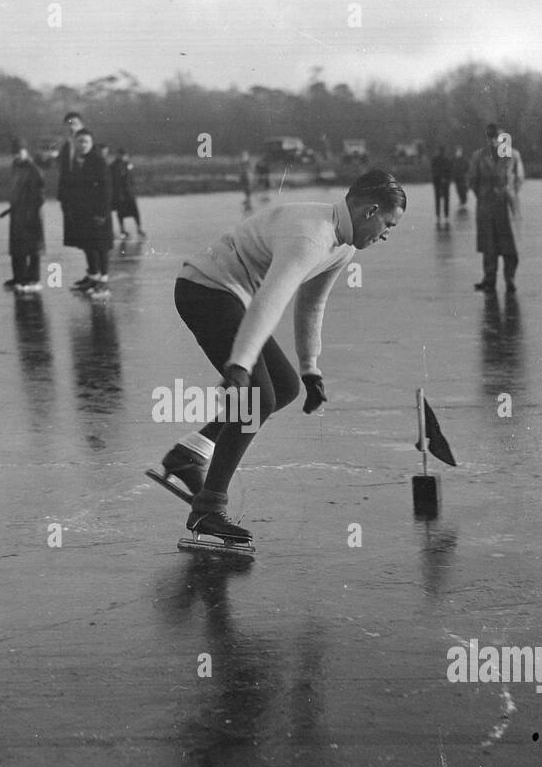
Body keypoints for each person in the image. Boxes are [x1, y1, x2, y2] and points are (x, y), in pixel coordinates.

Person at [153, 170, 407, 547]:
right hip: (205, 289)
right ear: (371, 211)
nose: (385, 234)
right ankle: (208, 507)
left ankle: (190, 453)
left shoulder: (343, 244)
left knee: (285, 387)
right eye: (388, 225)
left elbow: (311, 303)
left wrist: (310, 369)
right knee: (259, 398)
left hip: (231, 296)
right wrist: (239, 364)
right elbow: (271, 300)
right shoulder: (311, 235)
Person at [471, 124, 526, 293]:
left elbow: (519, 178)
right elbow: (472, 180)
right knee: (489, 247)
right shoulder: (479, 157)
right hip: (486, 207)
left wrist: (510, 193)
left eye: (497, 136)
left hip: (507, 207)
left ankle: (510, 279)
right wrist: (483, 195)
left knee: (510, 247)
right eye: (490, 136)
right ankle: (489, 279)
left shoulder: (513, 155)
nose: (494, 140)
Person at [60, 129, 113, 295]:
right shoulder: (78, 160)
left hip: (98, 212)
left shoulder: (98, 161)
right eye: (80, 141)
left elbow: (106, 189)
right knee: (89, 245)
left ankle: (103, 281)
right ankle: (93, 277)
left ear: (91, 143)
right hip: (84, 212)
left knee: (100, 246)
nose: (82, 145)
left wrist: (102, 213)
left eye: (86, 142)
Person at [0, 139, 45, 293]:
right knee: (17, 247)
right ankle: (19, 277)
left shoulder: (33, 169)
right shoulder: (16, 166)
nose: (17, 155)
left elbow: (39, 194)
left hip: (30, 214)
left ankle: (33, 278)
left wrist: (30, 210)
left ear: (26, 151)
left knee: (32, 247)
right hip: (17, 213)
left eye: (20, 151)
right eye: (15, 152)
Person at [111, 148, 145, 238]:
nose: (123, 157)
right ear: (117, 155)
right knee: (121, 213)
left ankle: (139, 228)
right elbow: (114, 181)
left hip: (129, 192)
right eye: (121, 155)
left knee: (135, 211)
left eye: (124, 155)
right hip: (119, 193)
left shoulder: (128, 165)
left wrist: (133, 189)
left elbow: (131, 179)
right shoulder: (113, 166)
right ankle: (122, 229)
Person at [431, 145, 452, 227]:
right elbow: (450, 170)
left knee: (438, 199)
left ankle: (438, 215)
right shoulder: (447, 159)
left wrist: (437, 178)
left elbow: (433, 170)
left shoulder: (435, 159)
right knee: (446, 199)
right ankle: (446, 215)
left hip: (437, 181)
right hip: (445, 181)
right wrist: (447, 179)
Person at [451, 145, 469, 211]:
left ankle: (463, 199)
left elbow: (467, 166)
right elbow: (452, 167)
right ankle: (462, 199)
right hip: (457, 177)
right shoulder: (454, 159)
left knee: (463, 188)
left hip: (462, 176)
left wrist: (465, 172)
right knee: (458, 189)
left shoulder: (464, 159)